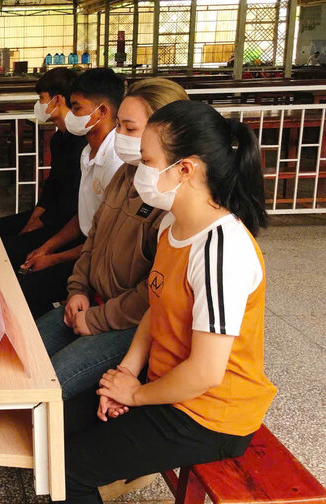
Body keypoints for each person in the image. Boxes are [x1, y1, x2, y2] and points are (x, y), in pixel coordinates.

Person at [53, 100, 277, 504]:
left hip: (209, 414)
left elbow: (206, 372)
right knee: (55, 427)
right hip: (168, 387)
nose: (139, 171)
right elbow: (156, 309)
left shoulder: (220, 250)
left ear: (185, 169)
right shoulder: (173, 224)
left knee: (66, 470)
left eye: (147, 161)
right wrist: (124, 374)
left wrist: (135, 395)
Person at [37, 78, 188, 400]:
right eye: (119, 125)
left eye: (130, 129)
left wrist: (97, 319)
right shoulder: (124, 175)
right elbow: (94, 238)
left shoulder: (170, 196)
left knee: (50, 383)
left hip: (130, 323)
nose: (119, 135)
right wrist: (78, 289)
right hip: (93, 301)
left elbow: (154, 290)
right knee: (24, 350)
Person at [20, 68, 125, 317]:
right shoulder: (87, 152)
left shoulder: (116, 162)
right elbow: (84, 216)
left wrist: (54, 258)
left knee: (23, 289)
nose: (71, 115)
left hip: (100, 261)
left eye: (76, 108)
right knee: (26, 271)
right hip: (85, 249)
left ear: (102, 111)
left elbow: (104, 241)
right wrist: (47, 247)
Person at [0, 68, 86, 274]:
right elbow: (52, 185)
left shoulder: (82, 144)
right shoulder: (58, 139)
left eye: (41, 98)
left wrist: (39, 223)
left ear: (58, 100)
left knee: (6, 250)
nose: (39, 105)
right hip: (51, 214)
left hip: (67, 224)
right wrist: (33, 219)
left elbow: (71, 202)